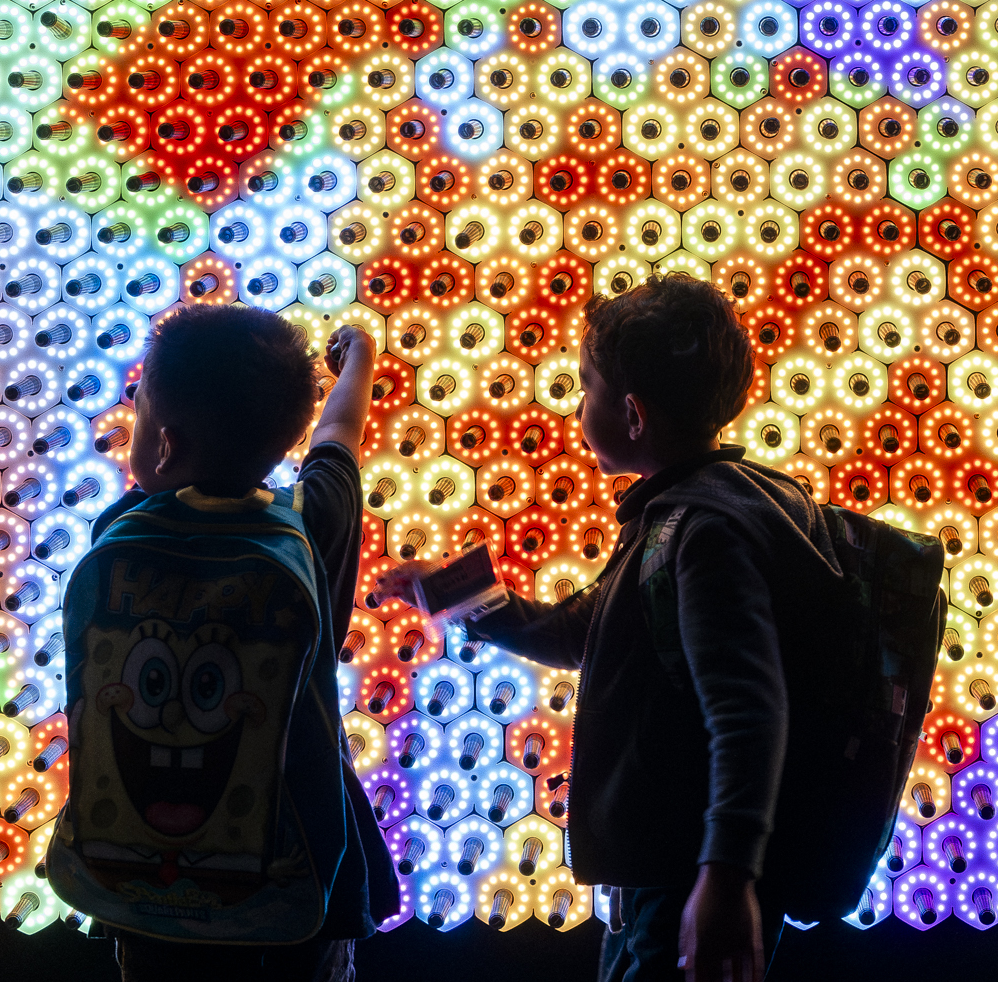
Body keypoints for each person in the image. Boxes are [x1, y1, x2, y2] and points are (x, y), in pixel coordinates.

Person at [379, 275, 835, 982]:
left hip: (683, 877)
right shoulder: (680, 514)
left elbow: (748, 711)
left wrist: (726, 875)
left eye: (583, 385)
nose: (575, 405)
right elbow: (575, 632)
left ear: (631, 412)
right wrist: (449, 593)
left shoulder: (702, 530)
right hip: (663, 870)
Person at [56, 307, 396, 982]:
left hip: (149, 891)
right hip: (294, 887)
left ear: (163, 446)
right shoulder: (311, 521)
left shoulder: (119, 527)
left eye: (140, 408)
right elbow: (339, 434)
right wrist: (359, 358)